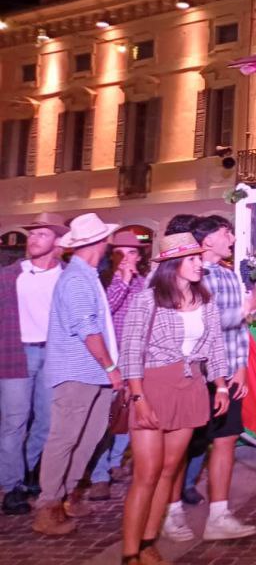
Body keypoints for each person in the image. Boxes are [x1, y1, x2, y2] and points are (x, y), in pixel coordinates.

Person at [120, 232, 230, 564]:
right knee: (147, 473)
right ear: (173, 264)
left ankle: (148, 542)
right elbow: (131, 351)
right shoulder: (147, 300)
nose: (199, 264)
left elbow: (216, 347)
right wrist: (139, 398)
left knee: (169, 470)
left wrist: (221, 386)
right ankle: (129, 553)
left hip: (191, 388)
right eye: (192, 259)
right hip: (152, 387)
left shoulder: (206, 300)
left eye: (199, 258)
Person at [163, 215, 256, 542]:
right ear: (207, 241)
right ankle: (171, 511)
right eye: (225, 232)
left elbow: (238, 330)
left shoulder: (230, 276)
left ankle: (219, 515)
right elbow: (202, 322)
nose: (232, 237)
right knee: (183, 444)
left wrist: (241, 366)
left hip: (227, 373)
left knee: (226, 439)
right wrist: (245, 309)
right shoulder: (190, 274)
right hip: (194, 375)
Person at [31, 213, 122, 536]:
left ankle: (68, 495)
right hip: (77, 372)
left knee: (89, 437)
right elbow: (87, 329)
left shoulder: (87, 276)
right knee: (65, 437)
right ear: (100, 242)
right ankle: (48, 506)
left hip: (92, 372)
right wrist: (111, 367)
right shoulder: (76, 280)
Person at [0, 213, 69, 515]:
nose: (34, 239)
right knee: (13, 422)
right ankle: (11, 486)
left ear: (57, 241)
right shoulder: (9, 275)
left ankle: (28, 474)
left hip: (53, 355)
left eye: (42, 234)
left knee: (47, 422)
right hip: (16, 354)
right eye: (32, 234)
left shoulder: (67, 277)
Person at [84, 230, 151, 501]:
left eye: (131, 252)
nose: (126, 258)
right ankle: (99, 475)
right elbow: (104, 314)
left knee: (128, 415)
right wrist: (122, 281)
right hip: (109, 360)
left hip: (136, 359)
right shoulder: (102, 281)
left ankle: (115, 463)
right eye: (119, 253)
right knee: (106, 420)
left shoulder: (144, 283)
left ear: (139, 256)